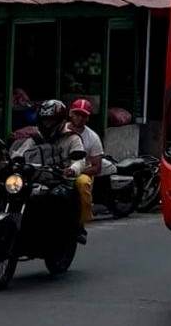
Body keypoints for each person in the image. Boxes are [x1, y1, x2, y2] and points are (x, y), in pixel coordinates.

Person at [9, 100, 88, 242]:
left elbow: (80, 160)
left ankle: (73, 228)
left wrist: (72, 169)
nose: (47, 124)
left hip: (60, 178)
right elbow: (22, 152)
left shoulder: (71, 137)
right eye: (44, 120)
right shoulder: (36, 138)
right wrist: (15, 161)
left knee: (63, 196)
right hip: (35, 177)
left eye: (51, 120)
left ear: (59, 121)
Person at [67, 98, 117, 242]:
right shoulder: (61, 130)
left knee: (83, 184)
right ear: (71, 114)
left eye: (83, 115)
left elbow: (96, 167)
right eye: (77, 114)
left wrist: (76, 171)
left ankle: (81, 224)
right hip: (60, 169)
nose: (79, 118)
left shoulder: (92, 138)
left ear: (87, 118)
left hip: (81, 171)